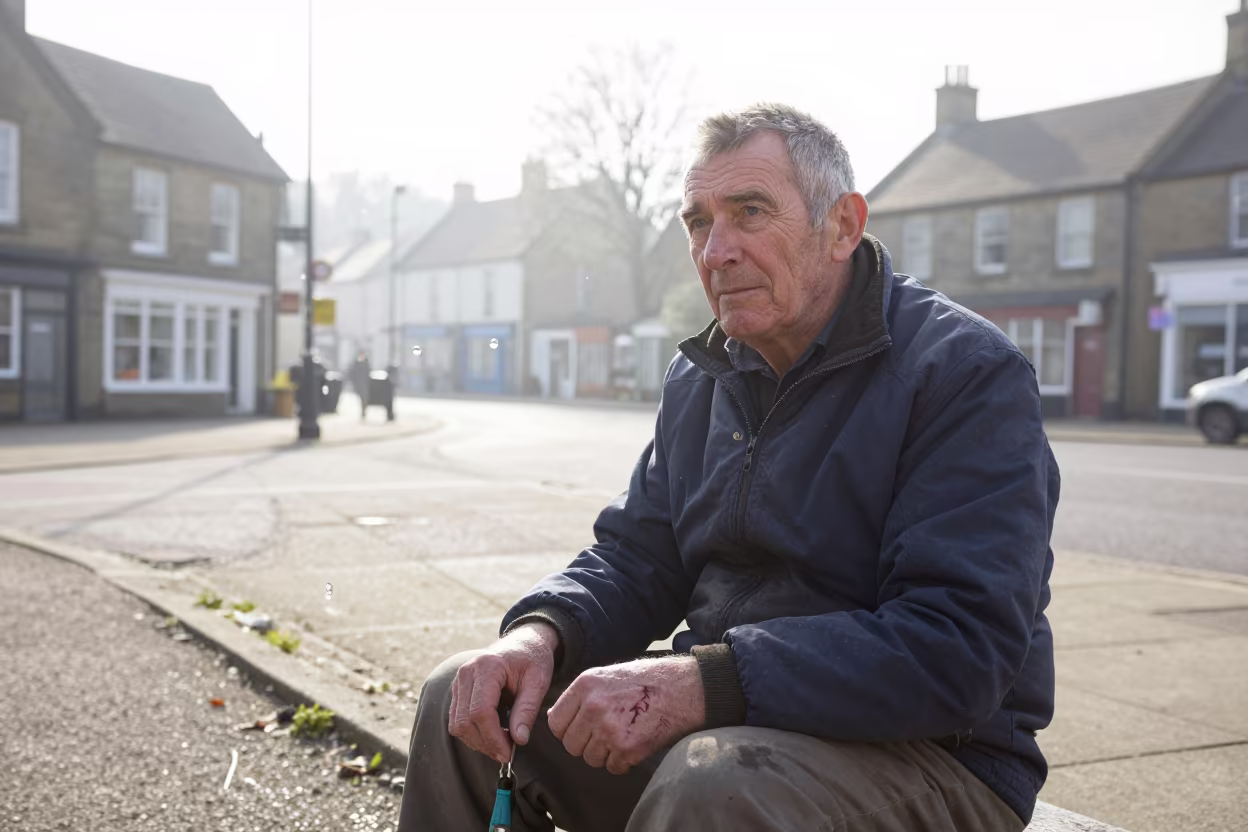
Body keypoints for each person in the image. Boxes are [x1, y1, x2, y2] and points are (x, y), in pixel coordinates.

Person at [397, 105, 1057, 832]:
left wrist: (707, 682)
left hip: (936, 756)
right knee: (456, 700)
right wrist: (542, 632)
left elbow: (957, 648)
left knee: (717, 782)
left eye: (749, 213)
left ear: (842, 225)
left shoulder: (962, 372)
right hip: (733, 723)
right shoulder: (701, 375)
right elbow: (638, 557)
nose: (716, 251)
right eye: (698, 222)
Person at [349, 349, 371, 420]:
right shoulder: (356, 363)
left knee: (364, 399)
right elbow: (353, 373)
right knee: (361, 398)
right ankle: (363, 411)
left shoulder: (366, 363)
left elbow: (368, 373)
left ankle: (363, 412)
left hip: (365, 384)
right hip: (358, 384)